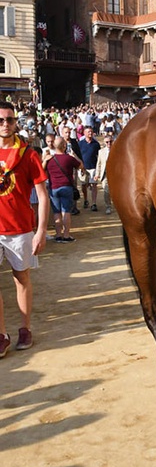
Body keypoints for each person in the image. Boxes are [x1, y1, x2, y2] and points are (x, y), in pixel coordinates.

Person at [0, 101, 50, 358]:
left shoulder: (29, 155)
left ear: (16, 122)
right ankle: (1, 334)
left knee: (22, 279)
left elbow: (42, 195)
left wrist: (41, 230)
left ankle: (25, 328)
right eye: (1, 120)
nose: (5, 125)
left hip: (20, 229)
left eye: (9, 120)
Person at [43, 138, 83, 242]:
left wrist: (44, 159)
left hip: (53, 188)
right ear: (64, 146)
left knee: (56, 212)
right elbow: (81, 166)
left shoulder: (49, 159)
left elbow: (42, 171)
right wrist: (75, 156)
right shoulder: (69, 158)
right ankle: (66, 235)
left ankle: (58, 235)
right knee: (66, 212)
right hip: (66, 187)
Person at [78, 126, 101, 211]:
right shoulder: (80, 144)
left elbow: (99, 156)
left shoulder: (96, 144)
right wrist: (80, 166)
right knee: (84, 185)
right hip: (83, 167)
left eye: (91, 131)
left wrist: (98, 168)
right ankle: (85, 200)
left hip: (93, 167)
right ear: (84, 133)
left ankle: (94, 203)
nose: (90, 133)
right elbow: (78, 156)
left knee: (94, 185)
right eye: (88, 132)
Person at [93, 134, 114, 214]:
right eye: (107, 142)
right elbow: (98, 164)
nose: (109, 143)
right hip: (105, 175)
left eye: (110, 141)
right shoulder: (101, 152)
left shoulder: (117, 150)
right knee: (106, 191)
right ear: (104, 142)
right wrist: (97, 174)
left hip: (115, 175)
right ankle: (108, 206)